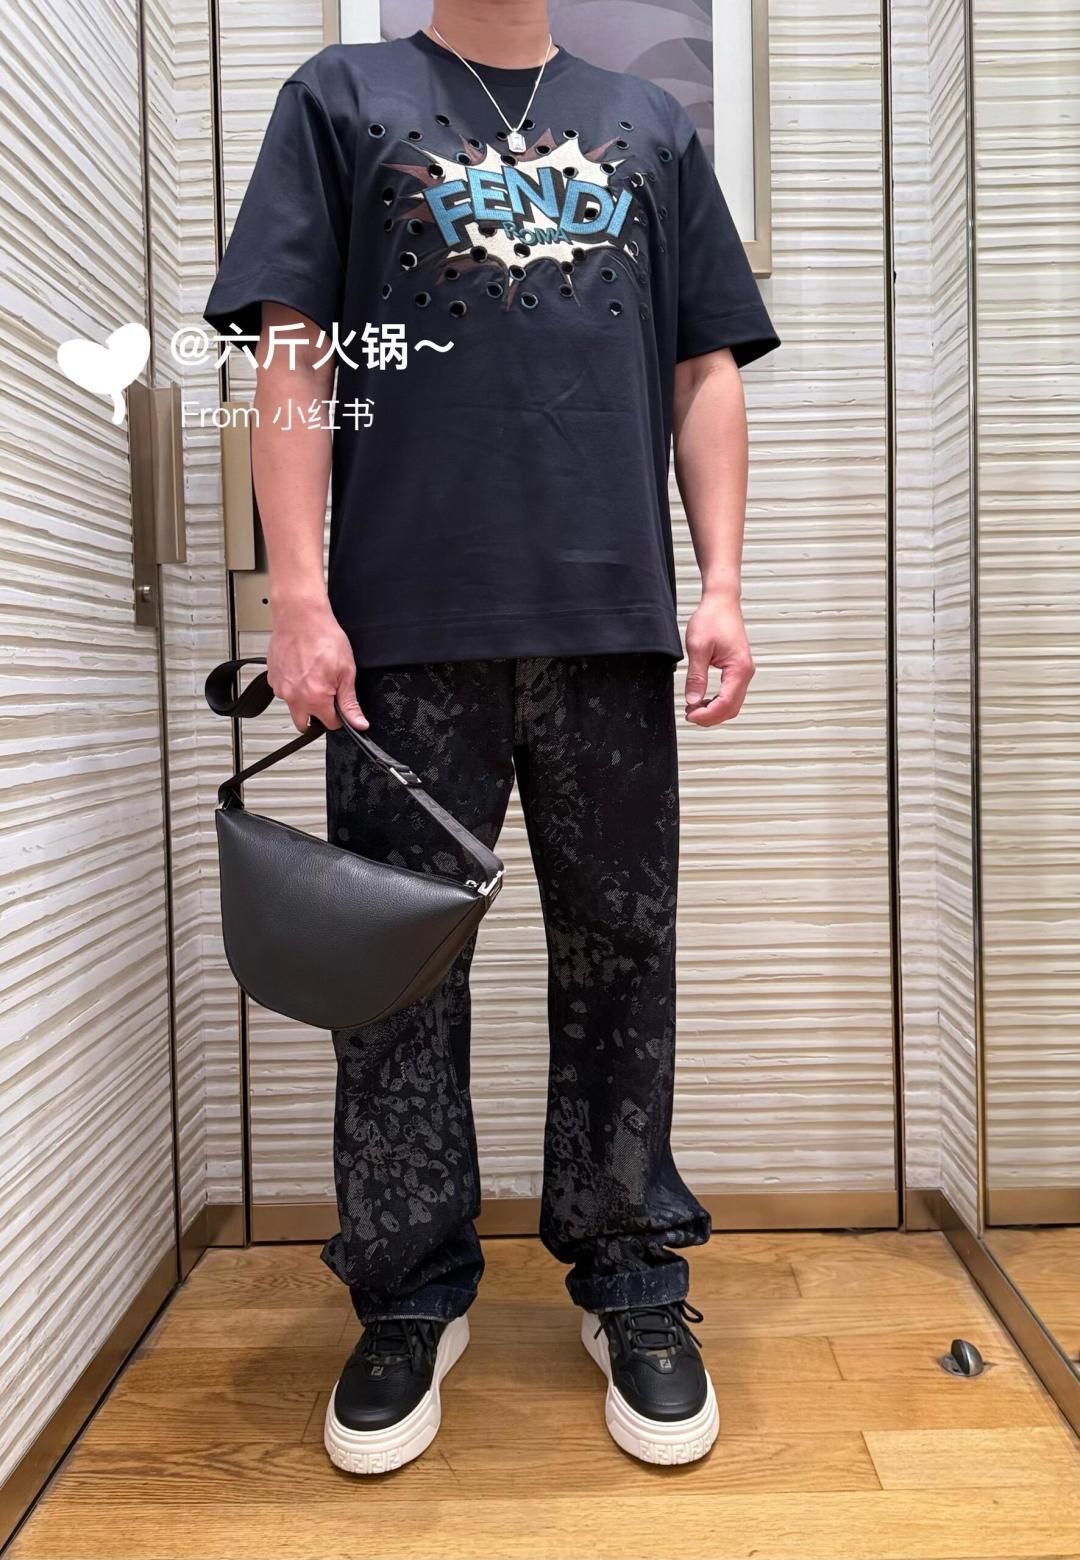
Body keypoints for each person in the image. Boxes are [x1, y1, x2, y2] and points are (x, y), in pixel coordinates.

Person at [204, 0, 779, 1474]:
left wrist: (721, 584)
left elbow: (704, 366)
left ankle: (631, 1274)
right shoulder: (342, 97)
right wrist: (299, 598)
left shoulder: (648, 125)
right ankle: (407, 1294)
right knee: (393, 976)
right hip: (402, 632)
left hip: (609, 625)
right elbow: (294, 349)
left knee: (622, 956)